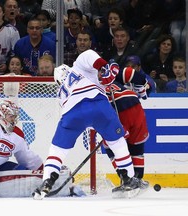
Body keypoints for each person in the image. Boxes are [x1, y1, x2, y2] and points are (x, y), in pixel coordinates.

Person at [33, 49, 141, 200]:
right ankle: (128, 179)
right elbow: (89, 54)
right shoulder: (78, 67)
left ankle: (47, 182)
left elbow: (83, 119)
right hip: (97, 105)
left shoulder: (60, 93)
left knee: (57, 150)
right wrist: (104, 68)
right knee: (117, 142)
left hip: (71, 114)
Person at [103, 80, 150, 192]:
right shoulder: (113, 75)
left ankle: (127, 180)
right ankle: (138, 179)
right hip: (135, 105)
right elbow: (135, 75)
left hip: (119, 111)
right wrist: (146, 88)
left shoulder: (90, 82)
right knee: (136, 143)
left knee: (111, 144)